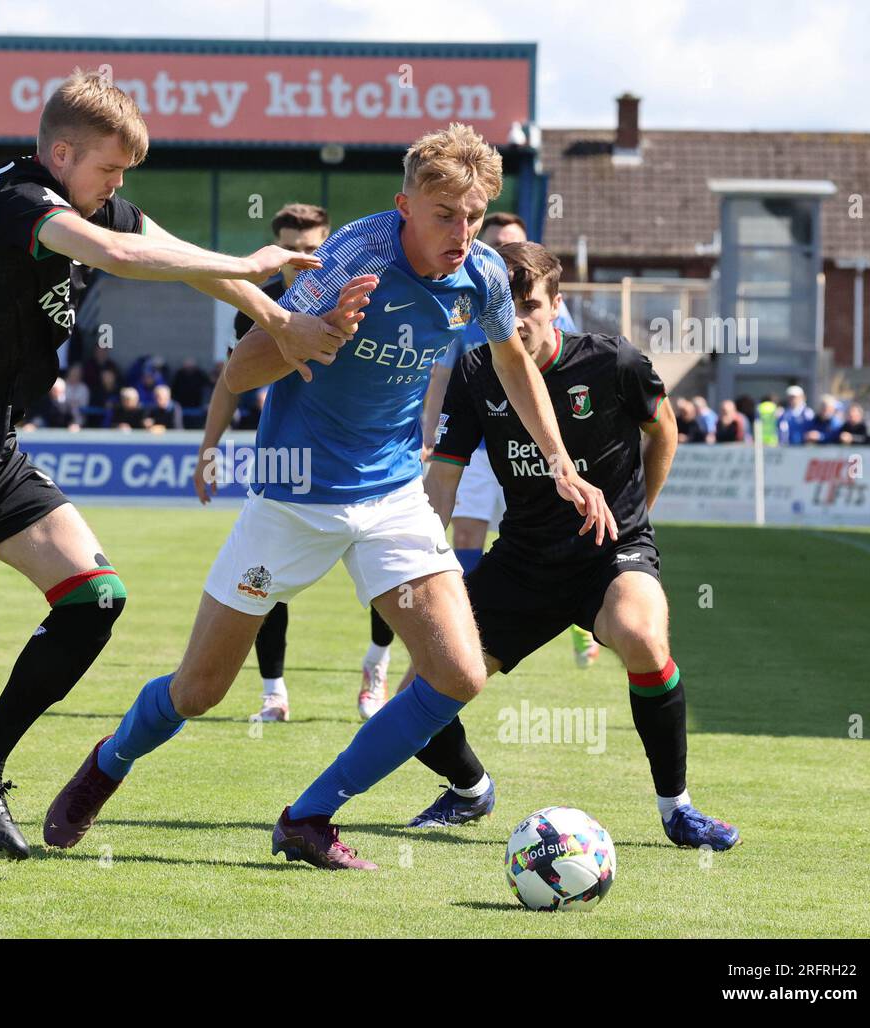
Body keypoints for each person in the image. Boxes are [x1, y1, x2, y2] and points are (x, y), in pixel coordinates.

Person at [0, 69, 343, 863]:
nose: (118, 186)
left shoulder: (100, 204)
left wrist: (279, 319)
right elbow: (122, 255)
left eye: (125, 175)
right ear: (61, 153)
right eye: (109, 170)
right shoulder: (18, 202)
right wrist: (253, 259)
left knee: (96, 598)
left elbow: (171, 257)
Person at [43, 123, 615, 869]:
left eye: (473, 216)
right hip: (292, 496)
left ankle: (309, 816)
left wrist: (560, 462)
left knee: (459, 674)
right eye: (445, 215)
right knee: (201, 689)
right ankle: (107, 765)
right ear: (403, 204)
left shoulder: (480, 273)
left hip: (391, 495)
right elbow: (239, 373)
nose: (462, 233)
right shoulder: (352, 257)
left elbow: (513, 359)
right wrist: (306, 333)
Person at [398, 241, 738, 852]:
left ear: (557, 305)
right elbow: (444, 478)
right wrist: (418, 564)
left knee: (641, 636)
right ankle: (471, 789)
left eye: (530, 304)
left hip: (611, 555)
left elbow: (664, 431)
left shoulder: (613, 362)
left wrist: (639, 518)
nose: (518, 318)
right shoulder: (476, 373)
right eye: (504, 305)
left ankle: (677, 809)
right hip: (523, 561)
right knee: (413, 702)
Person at [192, 202, 397, 722]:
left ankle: (376, 668)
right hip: (285, 459)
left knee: (389, 583)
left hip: (362, 463)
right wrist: (209, 449)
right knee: (264, 582)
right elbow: (229, 381)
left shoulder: (372, 295)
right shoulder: (257, 310)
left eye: (313, 248)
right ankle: (273, 693)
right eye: (293, 250)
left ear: (330, 244)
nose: (304, 259)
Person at [421, 209, 600, 671]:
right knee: (467, 531)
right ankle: (465, 620)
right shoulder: (469, 294)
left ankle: (584, 621)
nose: (502, 249)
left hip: (546, 450)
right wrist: (430, 428)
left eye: (511, 241)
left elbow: (566, 370)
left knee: (564, 537)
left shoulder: (544, 296)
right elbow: (447, 366)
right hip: (483, 441)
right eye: (495, 242)